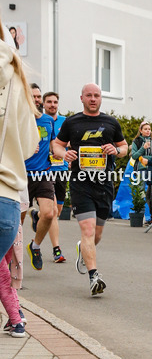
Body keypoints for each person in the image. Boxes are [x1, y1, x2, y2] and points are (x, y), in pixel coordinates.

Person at [52, 83, 128, 295]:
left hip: (104, 183)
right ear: (82, 98)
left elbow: (124, 147)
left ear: (101, 98)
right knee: (87, 229)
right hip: (81, 182)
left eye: (96, 95)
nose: (93, 99)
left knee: (97, 234)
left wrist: (116, 150)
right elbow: (56, 144)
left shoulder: (111, 122)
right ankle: (94, 276)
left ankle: (83, 249)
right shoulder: (72, 122)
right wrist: (63, 154)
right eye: (89, 95)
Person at [0, 26, 40, 334]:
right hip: (7, 199)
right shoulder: (17, 79)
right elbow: (29, 146)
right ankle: (16, 317)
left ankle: (15, 317)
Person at [24, 97, 60, 273]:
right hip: (22, 174)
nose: (36, 99)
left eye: (39, 96)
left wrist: (59, 152)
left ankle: (35, 246)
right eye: (33, 96)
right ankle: (11, 261)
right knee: (17, 222)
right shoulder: (19, 118)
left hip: (43, 173)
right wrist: (26, 148)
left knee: (49, 213)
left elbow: (53, 142)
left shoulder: (47, 120)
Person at [42, 91, 67, 261]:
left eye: (55, 102)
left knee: (57, 211)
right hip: (45, 171)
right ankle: (57, 249)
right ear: (43, 104)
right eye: (49, 102)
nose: (52, 105)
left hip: (62, 170)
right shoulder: (39, 121)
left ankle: (38, 216)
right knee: (51, 210)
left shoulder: (65, 122)